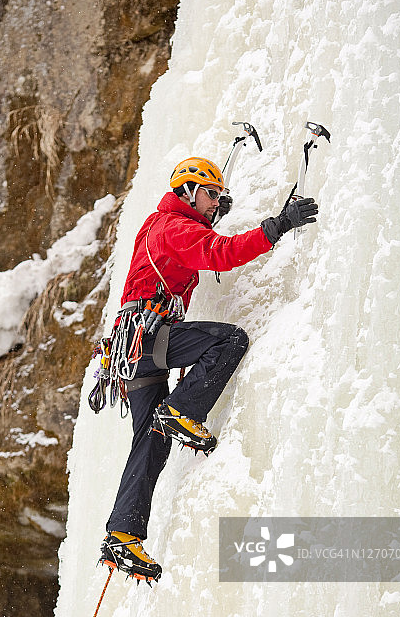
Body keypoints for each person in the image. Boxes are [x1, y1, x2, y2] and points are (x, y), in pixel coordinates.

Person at [98, 157, 318, 583]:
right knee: (229, 340)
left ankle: (122, 534)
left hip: (133, 349)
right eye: (210, 194)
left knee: (151, 440)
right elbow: (220, 254)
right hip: (149, 337)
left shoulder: (163, 224)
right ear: (186, 192)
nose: (217, 201)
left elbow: (197, 245)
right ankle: (181, 411)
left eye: (220, 195)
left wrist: (209, 217)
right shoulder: (173, 227)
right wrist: (277, 226)